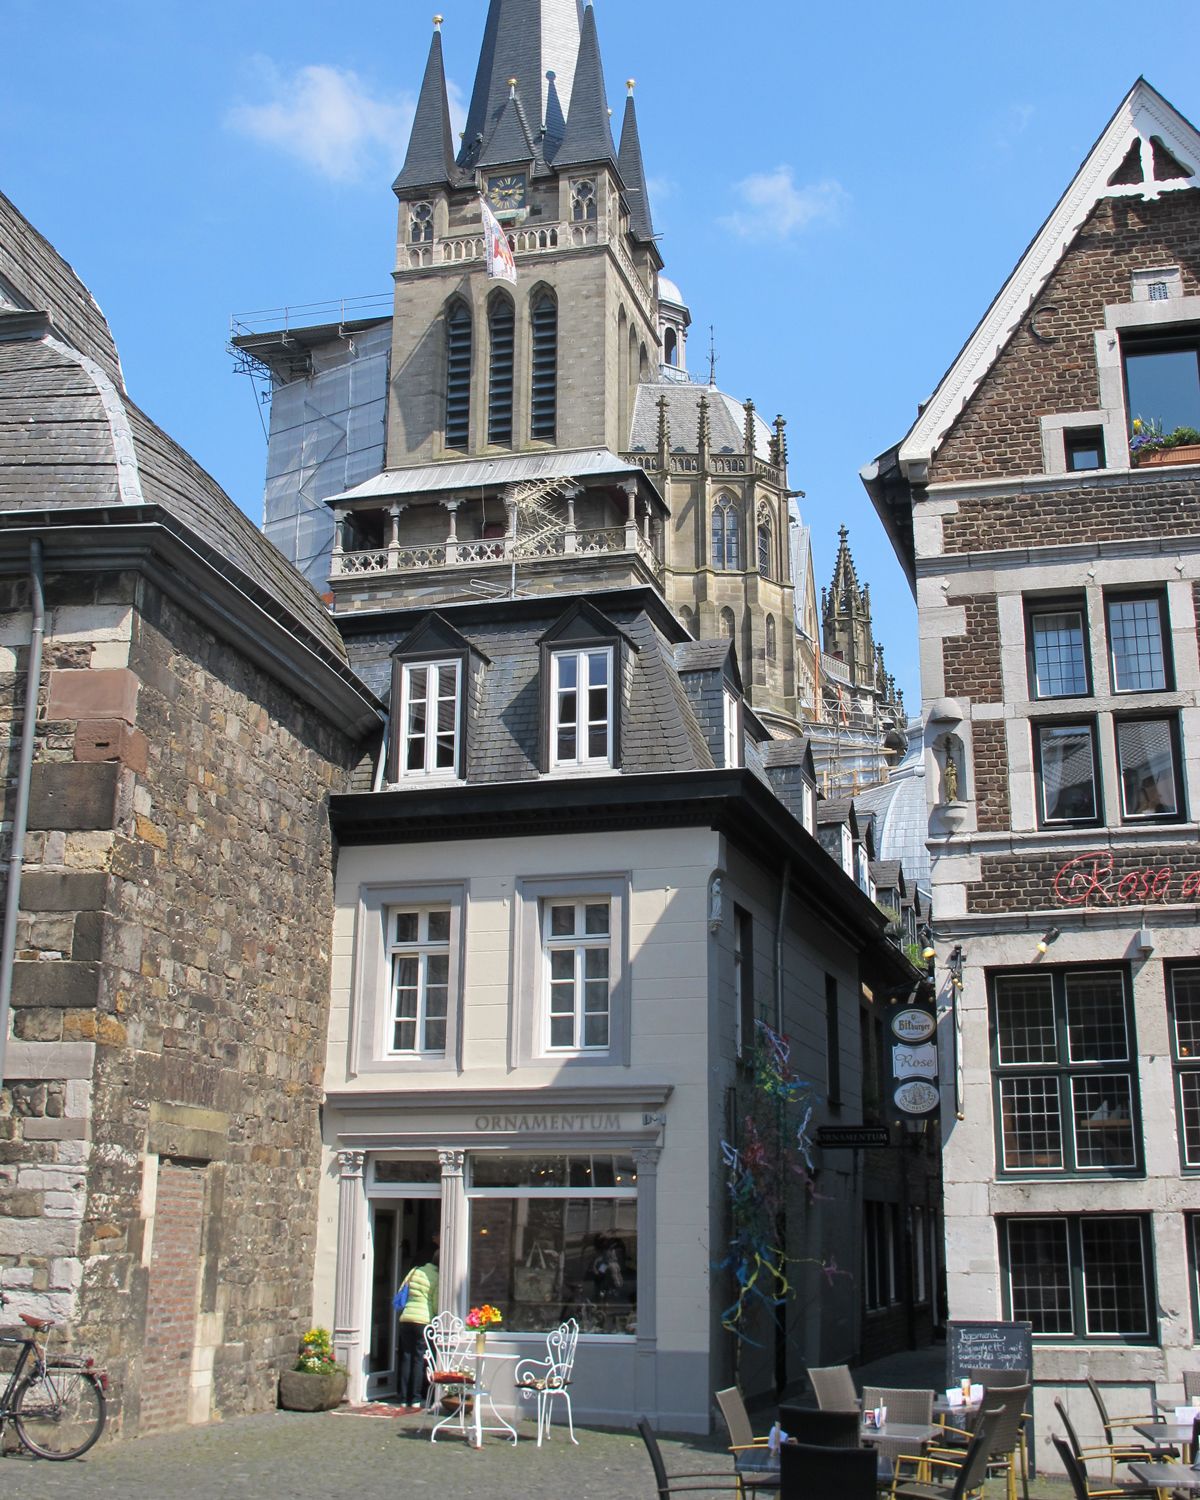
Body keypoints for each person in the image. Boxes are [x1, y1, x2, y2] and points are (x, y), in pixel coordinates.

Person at [396, 1246, 439, 1411]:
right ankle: (415, 1398)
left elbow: (402, 1290)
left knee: (406, 1356)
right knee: (419, 1359)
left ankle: (403, 1397)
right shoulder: (437, 1277)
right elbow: (435, 1303)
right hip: (423, 1320)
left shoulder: (414, 1271)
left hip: (406, 1318)